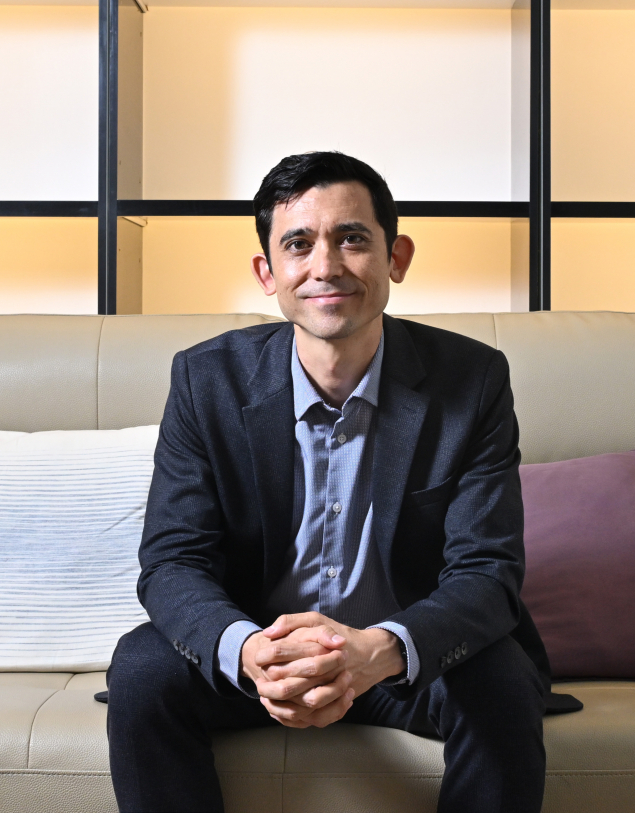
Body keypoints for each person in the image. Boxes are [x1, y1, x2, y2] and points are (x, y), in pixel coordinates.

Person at [105, 151, 579, 813]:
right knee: (142, 668)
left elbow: (488, 572)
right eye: (298, 244)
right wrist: (250, 651)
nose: (325, 265)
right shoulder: (205, 381)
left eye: (352, 238)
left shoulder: (471, 382)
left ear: (397, 257)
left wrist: (378, 650)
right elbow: (171, 561)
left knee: (499, 677)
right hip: (262, 659)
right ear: (267, 273)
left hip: (404, 659)